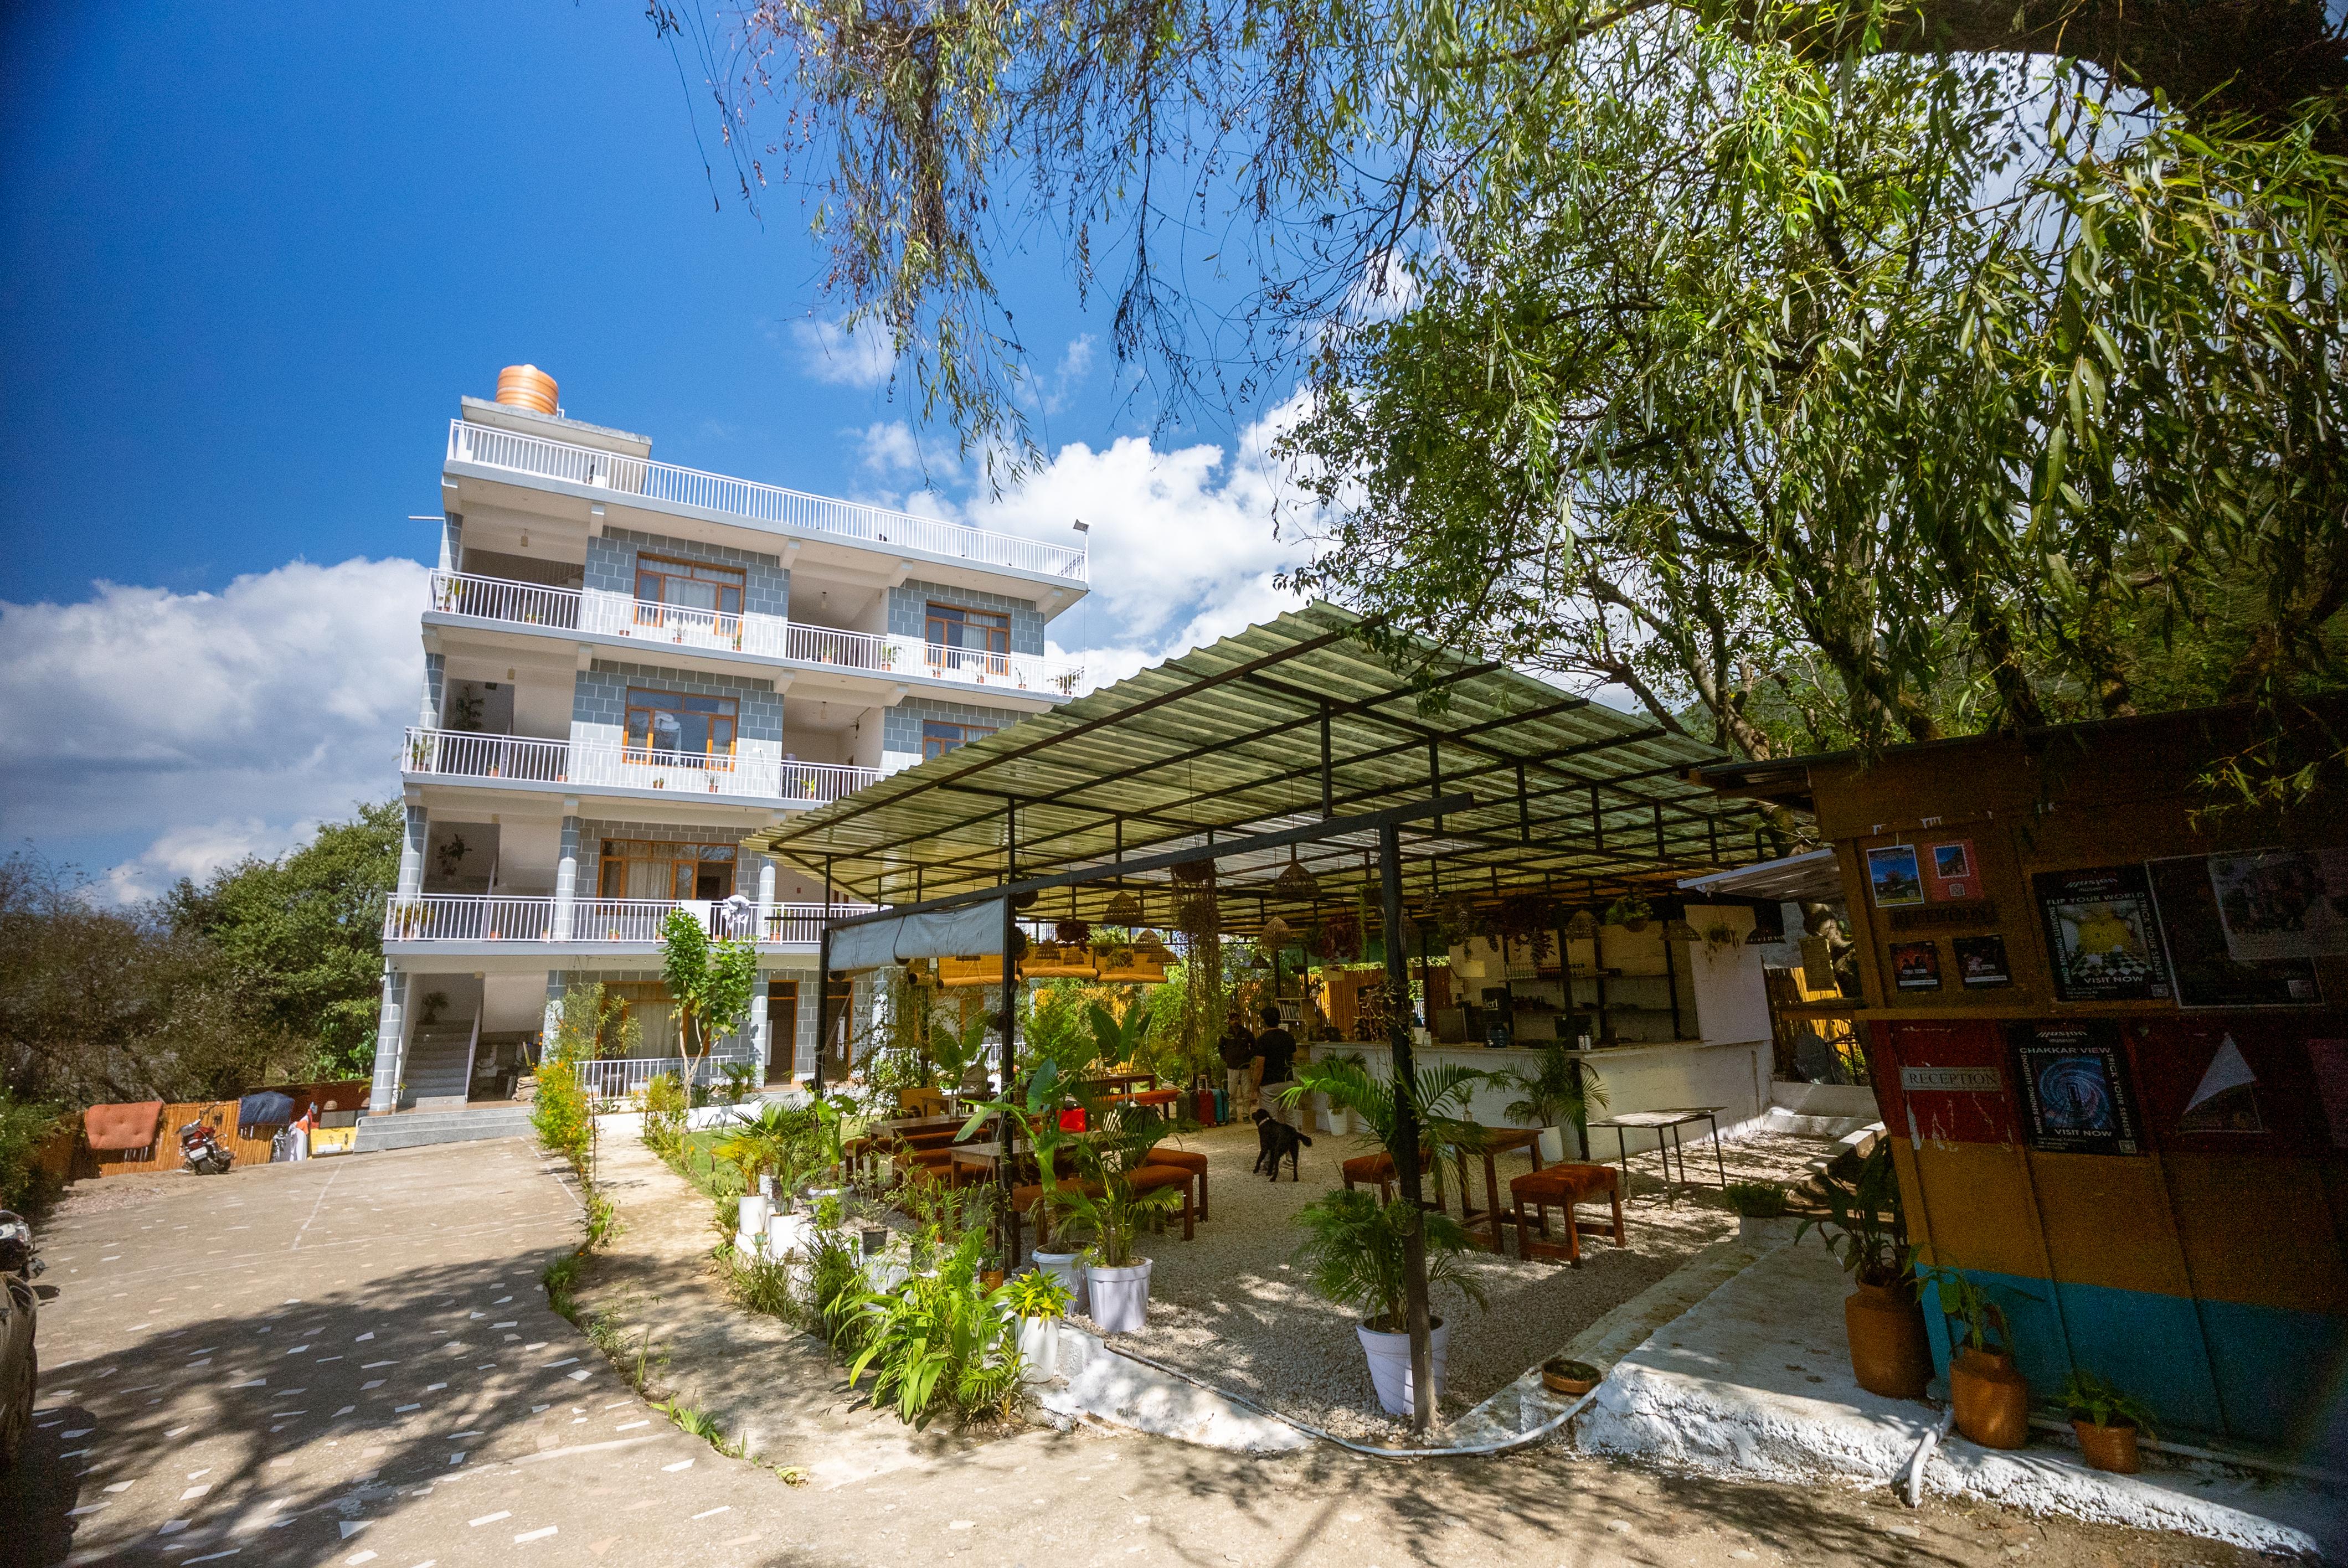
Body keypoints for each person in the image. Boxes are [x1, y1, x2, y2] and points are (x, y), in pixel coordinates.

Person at [1253, 1005, 1301, 1128]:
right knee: (1290, 1117)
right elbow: (1294, 1059)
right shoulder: (1289, 1037)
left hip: (1270, 1084)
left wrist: (1254, 1088)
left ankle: (1273, 1140)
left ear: (1264, 1021)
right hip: (1287, 1081)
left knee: (1270, 1119)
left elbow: (1259, 1067)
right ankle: (1294, 1139)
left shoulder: (1262, 1040)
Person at [1217, 1016, 1258, 1119]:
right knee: (1232, 1092)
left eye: (1237, 1019)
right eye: (1233, 1020)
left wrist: (1249, 1056)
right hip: (1232, 1066)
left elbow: (1254, 1045)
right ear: (1230, 1021)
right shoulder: (1226, 1034)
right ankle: (1233, 1115)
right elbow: (1220, 1047)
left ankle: (1246, 1114)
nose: (1235, 1021)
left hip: (1245, 1066)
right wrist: (1226, 1058)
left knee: (1246, 1092)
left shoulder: (1246, 1033)